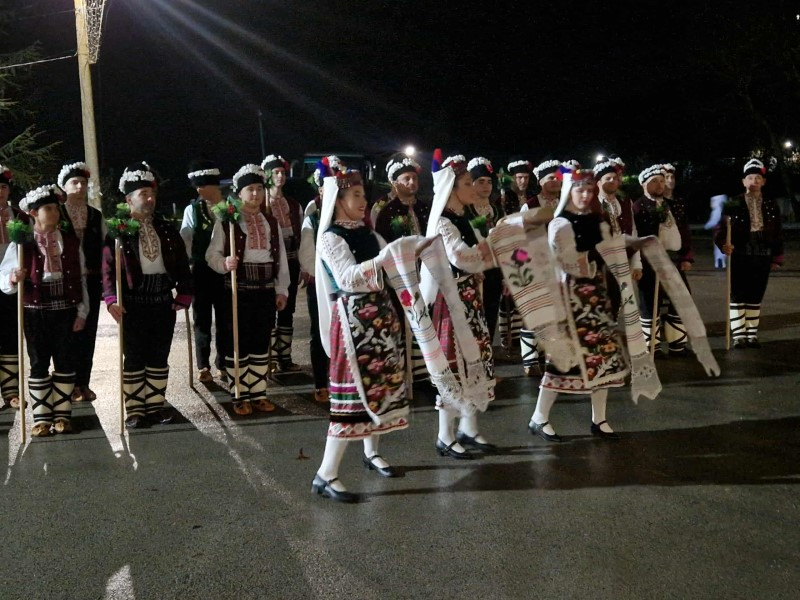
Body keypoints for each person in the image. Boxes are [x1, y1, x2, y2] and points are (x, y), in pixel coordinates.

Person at [312, 170, 409, 502]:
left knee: (377, 388)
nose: (363, 201)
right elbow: (347, 278)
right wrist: (385, 258)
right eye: (356, 195)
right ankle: (326, 473)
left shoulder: (370, 234)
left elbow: (391, 272)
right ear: (338, 200)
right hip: (353, 323)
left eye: (364, 195)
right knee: (351, 398)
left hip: (380, 319)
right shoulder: (330, 238)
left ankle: (371, 453)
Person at [528, 169, 628, 442]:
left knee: (602, 358)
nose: (585, 195)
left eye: (589, 190)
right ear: (569, 192)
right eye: (579, 190)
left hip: (596, 297)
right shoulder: (560, 224)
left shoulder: (596, 219)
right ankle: (539, 416)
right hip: (570, 297)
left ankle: (599, 419)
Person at [103, 162, 192, 429]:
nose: (150, 198)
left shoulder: (165, 228)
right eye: (143, 194)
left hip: (162, 300)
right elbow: (108, 269)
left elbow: (181, 262)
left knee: (159, 355)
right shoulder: (118, 230)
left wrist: (185, 292)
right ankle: (134, 410)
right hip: (132, 303)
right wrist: (111, 299)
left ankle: (155, 407)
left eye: (152, 193)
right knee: (134, 356)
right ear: (129, 199)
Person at [424, 153, 496, 459]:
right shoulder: (443, 221)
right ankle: (445, 435)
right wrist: (487, 253)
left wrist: (492, 249)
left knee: (473, 361)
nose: (473, 188)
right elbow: (461, 256)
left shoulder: (464, 216)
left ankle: (469, 427)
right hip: (452, 301)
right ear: (451, 189)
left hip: (470, 297)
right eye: (467, 183)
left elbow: (482, 248)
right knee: (454, 366)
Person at [1, 184, 88, 436]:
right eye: (48, 209)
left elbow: (81, 279)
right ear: (33, 213)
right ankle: (40, 419)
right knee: (38, 362)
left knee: (65, 360)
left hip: (65, 309)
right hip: (34, 310)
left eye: (56, 208)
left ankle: (62, 416)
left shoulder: (69, 241)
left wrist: (82, 312)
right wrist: (13, 278)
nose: (54, 213)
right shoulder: (22, 244)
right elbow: (3, 276)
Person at [206, 164, 289, 415]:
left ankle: (259, 393)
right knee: (239, 342)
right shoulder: (228, 220)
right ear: (239, 193)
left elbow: (281, 259)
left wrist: (281, 289)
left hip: (264, 290)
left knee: (261, 341)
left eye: (259, 189)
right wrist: (224, 263)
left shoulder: (270, 221)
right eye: (250, 189)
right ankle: (239, 394)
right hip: (237, 291)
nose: (256, 194)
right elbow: (211, 254)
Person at [715, 159, 784, 348]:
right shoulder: (733, 202)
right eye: (750, 178)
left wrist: (777, 255)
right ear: (744, 181)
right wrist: (723, 244)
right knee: (738, 292)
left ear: (763, 182)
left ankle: (751, 334)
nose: (754, 181)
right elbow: (721, 229)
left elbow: (777, 231)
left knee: (756, 292)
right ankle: (739, 335)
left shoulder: (770, 204)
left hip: (762, 252)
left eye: (758, 178)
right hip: (740, 252)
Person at [298, 156, 346, 404]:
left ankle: (343, 380)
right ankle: (320, 382)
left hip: (346, 285)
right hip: (321, 284)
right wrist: (326, 278)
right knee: (320, 331)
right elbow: (307, 256)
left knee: (345, 332)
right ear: (320, 189)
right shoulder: (313, 218)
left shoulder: (347, 215)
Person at [57, 161, 106, 402]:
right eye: (74, 182)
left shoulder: (96, 215)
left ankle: (83, 382)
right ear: (64, 186)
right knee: (67, 333)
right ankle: (67, 385)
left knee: (88, 332)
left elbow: (106, 247)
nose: (80, 187)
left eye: (84, 183)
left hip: (92, 280)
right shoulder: (56, 213)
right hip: (65, 282)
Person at [633, 164, 694, 355]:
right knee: (651, 302)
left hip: (673, 260)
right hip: (650, 262)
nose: (660, 185)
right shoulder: (638, 206)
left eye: (661, 181)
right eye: (654, 182)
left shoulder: (672, 205)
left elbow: (684, 231)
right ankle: (652, 345)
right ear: (644, 185)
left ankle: (677, 343)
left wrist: (686, 257)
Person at [180, 160, 227, 383]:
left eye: (202, 185)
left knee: (226, 318)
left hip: (226, 270)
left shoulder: (229, 208)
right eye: (197, 186)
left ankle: (223, 362)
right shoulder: (192, 210)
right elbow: (186, 240)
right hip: (201, 271)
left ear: (214, 185)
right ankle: (203, 365)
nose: (198, 190)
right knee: (202, 319)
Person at [518, 159, 563, 375]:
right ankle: (530, 360)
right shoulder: (530, 205)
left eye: (558, 177)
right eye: (550, 178)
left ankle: (551, 357)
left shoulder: (566, 202)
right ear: (540, 182)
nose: (555, 181)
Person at [262, 154, 303, 372]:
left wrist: (303, 265)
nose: (280, 176)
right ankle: (267, 357)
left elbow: (301, 236)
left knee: (288, 309)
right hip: (271, 264)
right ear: (267, 175)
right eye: (276, 172)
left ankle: (284, 357)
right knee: (269, 309)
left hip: (292, 261)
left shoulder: (293, 205)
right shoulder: (261, 204)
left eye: (283, 172)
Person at [593, 156, 642, 315]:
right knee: (599, 306)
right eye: (608, 178)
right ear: (598, 182)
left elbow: (633, 232)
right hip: (600, 264)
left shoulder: (625, 202)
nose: (613, 181)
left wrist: (637, 263)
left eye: (615, 178)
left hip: (622, 260)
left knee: (618, 305)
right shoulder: (591, 203)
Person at [467, 156, 504, 342]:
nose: (486, 186)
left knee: (491, 311)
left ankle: (489, 350)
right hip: (473, 271)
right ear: (471, 184)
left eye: (489, 182)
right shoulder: (466, 210)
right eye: (480, 181)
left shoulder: (497, 210)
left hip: (495, 270)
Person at [0, 165, 26, 410]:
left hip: (11, 282)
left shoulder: (20, 216)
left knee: (11, 335)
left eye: (3, 187)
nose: (0, 192)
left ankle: (11, 392)